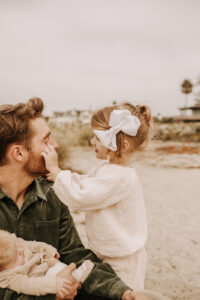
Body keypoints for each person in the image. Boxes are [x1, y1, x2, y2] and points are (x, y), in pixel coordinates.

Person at [0, 97, 149, 300]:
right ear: (18, 153)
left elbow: (75, 255)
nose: (56, 145)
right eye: (46, 140)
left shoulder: (53, 194)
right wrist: (52, 293)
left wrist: (123, 292)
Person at [42, 103, 151, 291]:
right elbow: (87, 182)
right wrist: (61, 177)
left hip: (123, 260)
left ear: (121, 146)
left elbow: (81, 196)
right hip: (110, 254)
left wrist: (56, 170)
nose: (92, 141)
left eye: (98, 138)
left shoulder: (120, 176)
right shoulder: (109, 168)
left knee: (121, 292)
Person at [0, 230, 94, 297]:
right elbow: (29, 285)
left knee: (57, 265)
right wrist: (54, 284)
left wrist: (49, 250)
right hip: (42, 277)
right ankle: (76, 276)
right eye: (18, 255)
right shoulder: (8, 277)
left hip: (46, 261)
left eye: (18, 246)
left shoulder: (11, 242)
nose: (21, 250)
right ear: (6, 268)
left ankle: (75, 277)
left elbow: (33, 245)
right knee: (59, 276)